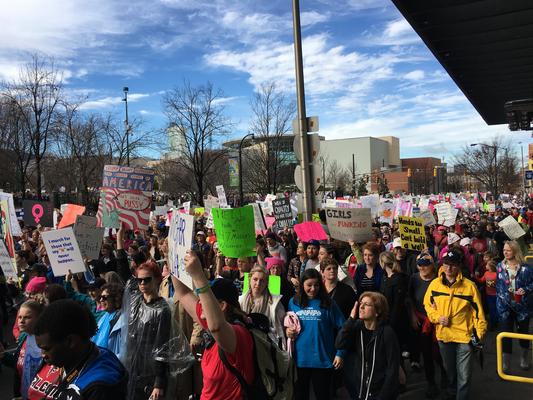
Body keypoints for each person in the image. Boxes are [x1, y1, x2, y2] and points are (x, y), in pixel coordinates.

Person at [171, 251, 255, 400]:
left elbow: (217, 327)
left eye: (204, 298)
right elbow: (183, 293)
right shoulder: (208, 320)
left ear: (222, 305)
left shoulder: (239, 333)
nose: (199, 302)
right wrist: (173, 255)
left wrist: (198, 276)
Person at [30, 299, 127, 399]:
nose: (42, 354)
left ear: (70, 341)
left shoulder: (100, 386)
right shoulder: (71, 357)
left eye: (46, 349)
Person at [424, 249, 487, 400]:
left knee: (464, 376)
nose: (448, 268)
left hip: (464, 338)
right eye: (446, 264)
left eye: (452, 265)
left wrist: (478, 336)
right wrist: (437, 318)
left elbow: (479, 315)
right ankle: (452, 393)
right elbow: (427, 305)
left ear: (459, 266)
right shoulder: (434, 284)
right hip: (444, 337)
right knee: (450, 371)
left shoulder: (470, 286)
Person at [287, 269, 346, 400]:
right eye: (309, 285)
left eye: (317, 285)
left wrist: (340, 353)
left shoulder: (329, 303)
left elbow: (344, 329)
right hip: (300, 360)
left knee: (323, 395)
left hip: (323, 360)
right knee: (300, 396)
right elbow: (288, 323)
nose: (313, 289)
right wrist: (288, 331)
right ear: (302, 285)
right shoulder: (293, 302)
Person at [336, 291, 400, 400]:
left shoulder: (387, 332)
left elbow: (392, 369)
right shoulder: (357, 327)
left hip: (380, 391)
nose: (361, 306)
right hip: (361, 390)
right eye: (361, 303)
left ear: (377, 311)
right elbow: (339, 343)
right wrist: (351, 319)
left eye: (367, 304)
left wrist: (383, 396)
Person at [124, 260, 172, 400]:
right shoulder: (136, 302)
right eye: (139, 280)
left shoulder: (162, 310)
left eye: (147, 280)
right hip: (132, 368)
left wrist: (158, 383)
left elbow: (162, 348)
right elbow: (123, 273)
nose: (142, 284)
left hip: (149, 373)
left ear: (157, 279)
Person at [408, 252, 445, 398]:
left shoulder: (439, 280)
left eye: (426, 264)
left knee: (441, 353)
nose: (422, 267)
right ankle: (431, 383)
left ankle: (445, 376)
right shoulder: (414, 278)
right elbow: (409, 298)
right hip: (422, 322)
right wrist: (412, 315)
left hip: (439, 322)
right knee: (427, 354)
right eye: (420, 265)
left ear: (432, 265)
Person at [496, 240, 533, 371]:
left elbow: (532, 284)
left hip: (522, 308)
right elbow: (498, 286)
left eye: (508, 250)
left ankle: (524, 360)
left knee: (523, 333)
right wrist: (503, 297)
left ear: (515, 251)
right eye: (504, 250)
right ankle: (505, 363)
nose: (505, 252)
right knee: (505, 335)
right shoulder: (499, 266)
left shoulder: (526, 268)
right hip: (505, 308)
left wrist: (525, 290)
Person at [0, 300, 44, 399]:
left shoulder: (45, 343)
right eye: (20, 317)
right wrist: (3, 355)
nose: (21, 321)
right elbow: (19, 363)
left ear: (39, 318)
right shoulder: (24, 337)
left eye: (27, 317)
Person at [239, 265, 285, 348]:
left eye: (262, 280)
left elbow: (280, 328)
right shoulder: (241, 300)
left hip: (266, 345)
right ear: (250, 280)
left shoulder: (275, 302)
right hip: (245, 343)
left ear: (266, 283)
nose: (258, 283)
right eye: (255, 279)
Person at [379, 252, 409, 360]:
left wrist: (391, 323)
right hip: (387, 319)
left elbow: (398, 304)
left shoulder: (398, 279)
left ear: (382, 263)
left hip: (395, 321)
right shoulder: (385, 278)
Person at [92, 283, 125, 359]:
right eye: (100, 297)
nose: (101, 300)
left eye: (104, 297)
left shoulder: (122, 318)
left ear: (115, 298)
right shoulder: (104, 316)